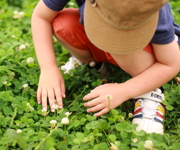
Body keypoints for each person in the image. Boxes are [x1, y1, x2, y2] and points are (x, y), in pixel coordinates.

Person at [31, 0, 180, 134]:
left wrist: (125, 90)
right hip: (99, 35)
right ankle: (98, 64)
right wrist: (48, 67)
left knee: (122, 42)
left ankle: (150, 92)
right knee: (63, 22)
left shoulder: (153, 9)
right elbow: (41, 16)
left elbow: (171, 63)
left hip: (150, 53)